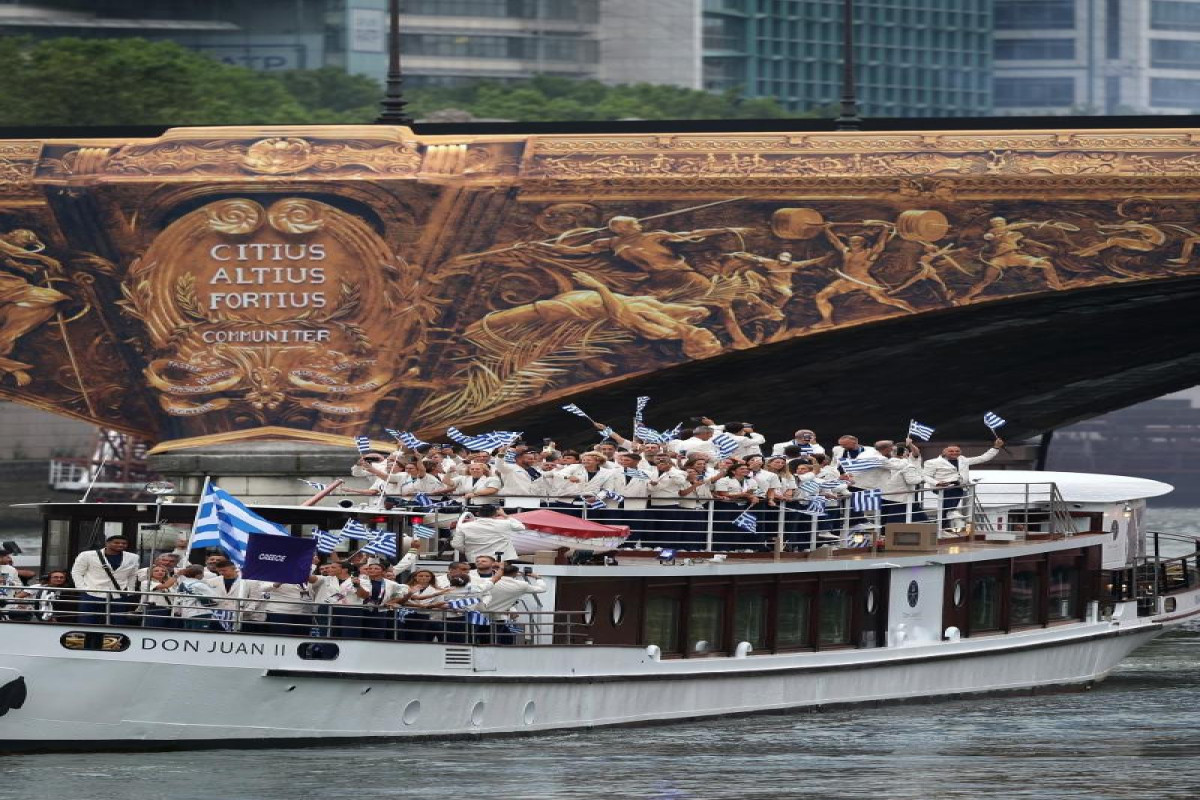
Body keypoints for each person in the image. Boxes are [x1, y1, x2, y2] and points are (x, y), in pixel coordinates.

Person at [923, 439, 1004, 524]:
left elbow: (983, 458)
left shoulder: (963, 460)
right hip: (941, 486)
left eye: (957, 451)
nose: (954, 453)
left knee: (946, 508)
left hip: (958, 487)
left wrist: (996, 447)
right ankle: (950, 512)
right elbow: (925, 476)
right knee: (950, 500)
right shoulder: (932, 462)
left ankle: (942, 525)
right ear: (944, 452)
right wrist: (937, 483)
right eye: (951, 451)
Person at [70, 534, 141, 626]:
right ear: (107, 543)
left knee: (118, 623)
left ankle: (114, 640)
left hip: (118, 594)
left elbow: (133, 575)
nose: (120, 545)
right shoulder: (87, 555)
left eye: (124, 543)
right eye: (116, 543)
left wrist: (130, 591)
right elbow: (77, 572)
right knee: (87, 622)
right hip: (92, 593)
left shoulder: (133, 557)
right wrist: (83, 589)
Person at [477, 564, 548, 645]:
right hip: (498, 617)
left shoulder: (488, 581)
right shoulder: (521, 585)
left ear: (500, 571)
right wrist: (538, 578)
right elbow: (542, 589)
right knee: (504, 639)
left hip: (478, 616)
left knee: (483, 639)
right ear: (515, 573)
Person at [204, 559, 267, 633]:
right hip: (219, 617)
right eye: (219, 571)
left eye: (224, 570)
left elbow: (255, 598)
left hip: (244, 617)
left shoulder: (250, 581)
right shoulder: (211, 581)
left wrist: (246, 611)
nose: (221, 573)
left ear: (233, 568)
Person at [451, 505, 523, 562]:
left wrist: (468, 551)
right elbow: (521, 527)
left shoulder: (464, 526)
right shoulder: (505, 523)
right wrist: (504, 515)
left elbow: (456, 544)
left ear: (478, 513)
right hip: (500, 560)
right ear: (496, 514)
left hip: (475, 559)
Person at [398, 569, 451, 642]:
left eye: (427, 576)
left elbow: (439, 603)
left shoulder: (437, 590)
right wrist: (419, 606)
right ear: (415, 577)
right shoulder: (405, 587)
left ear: (431, 578)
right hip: (407, 616)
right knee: (406, 637)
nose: (424, 578)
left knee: (422, 638)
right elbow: (401, 601)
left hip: (427, 617)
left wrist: (429, 606)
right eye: (420, 576)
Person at [172, 565, 220, 630]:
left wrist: (177, 611)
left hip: (186, 614)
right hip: (201, 613)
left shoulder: (181, 585)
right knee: (200, 635)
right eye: (202, 573)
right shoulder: (199, 585)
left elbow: (177, 599)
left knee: (189, 634)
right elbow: (216, 598)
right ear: (198, 575)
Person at [139, 564, 178, 629]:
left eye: (163, 571)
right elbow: (165, 586)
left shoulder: (171, 583)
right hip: (155, 608)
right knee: (153, 629)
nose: (160, 572)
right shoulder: (146, 582)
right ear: (150, 573)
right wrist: (176, 575)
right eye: (156, 571)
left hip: (170, 609)